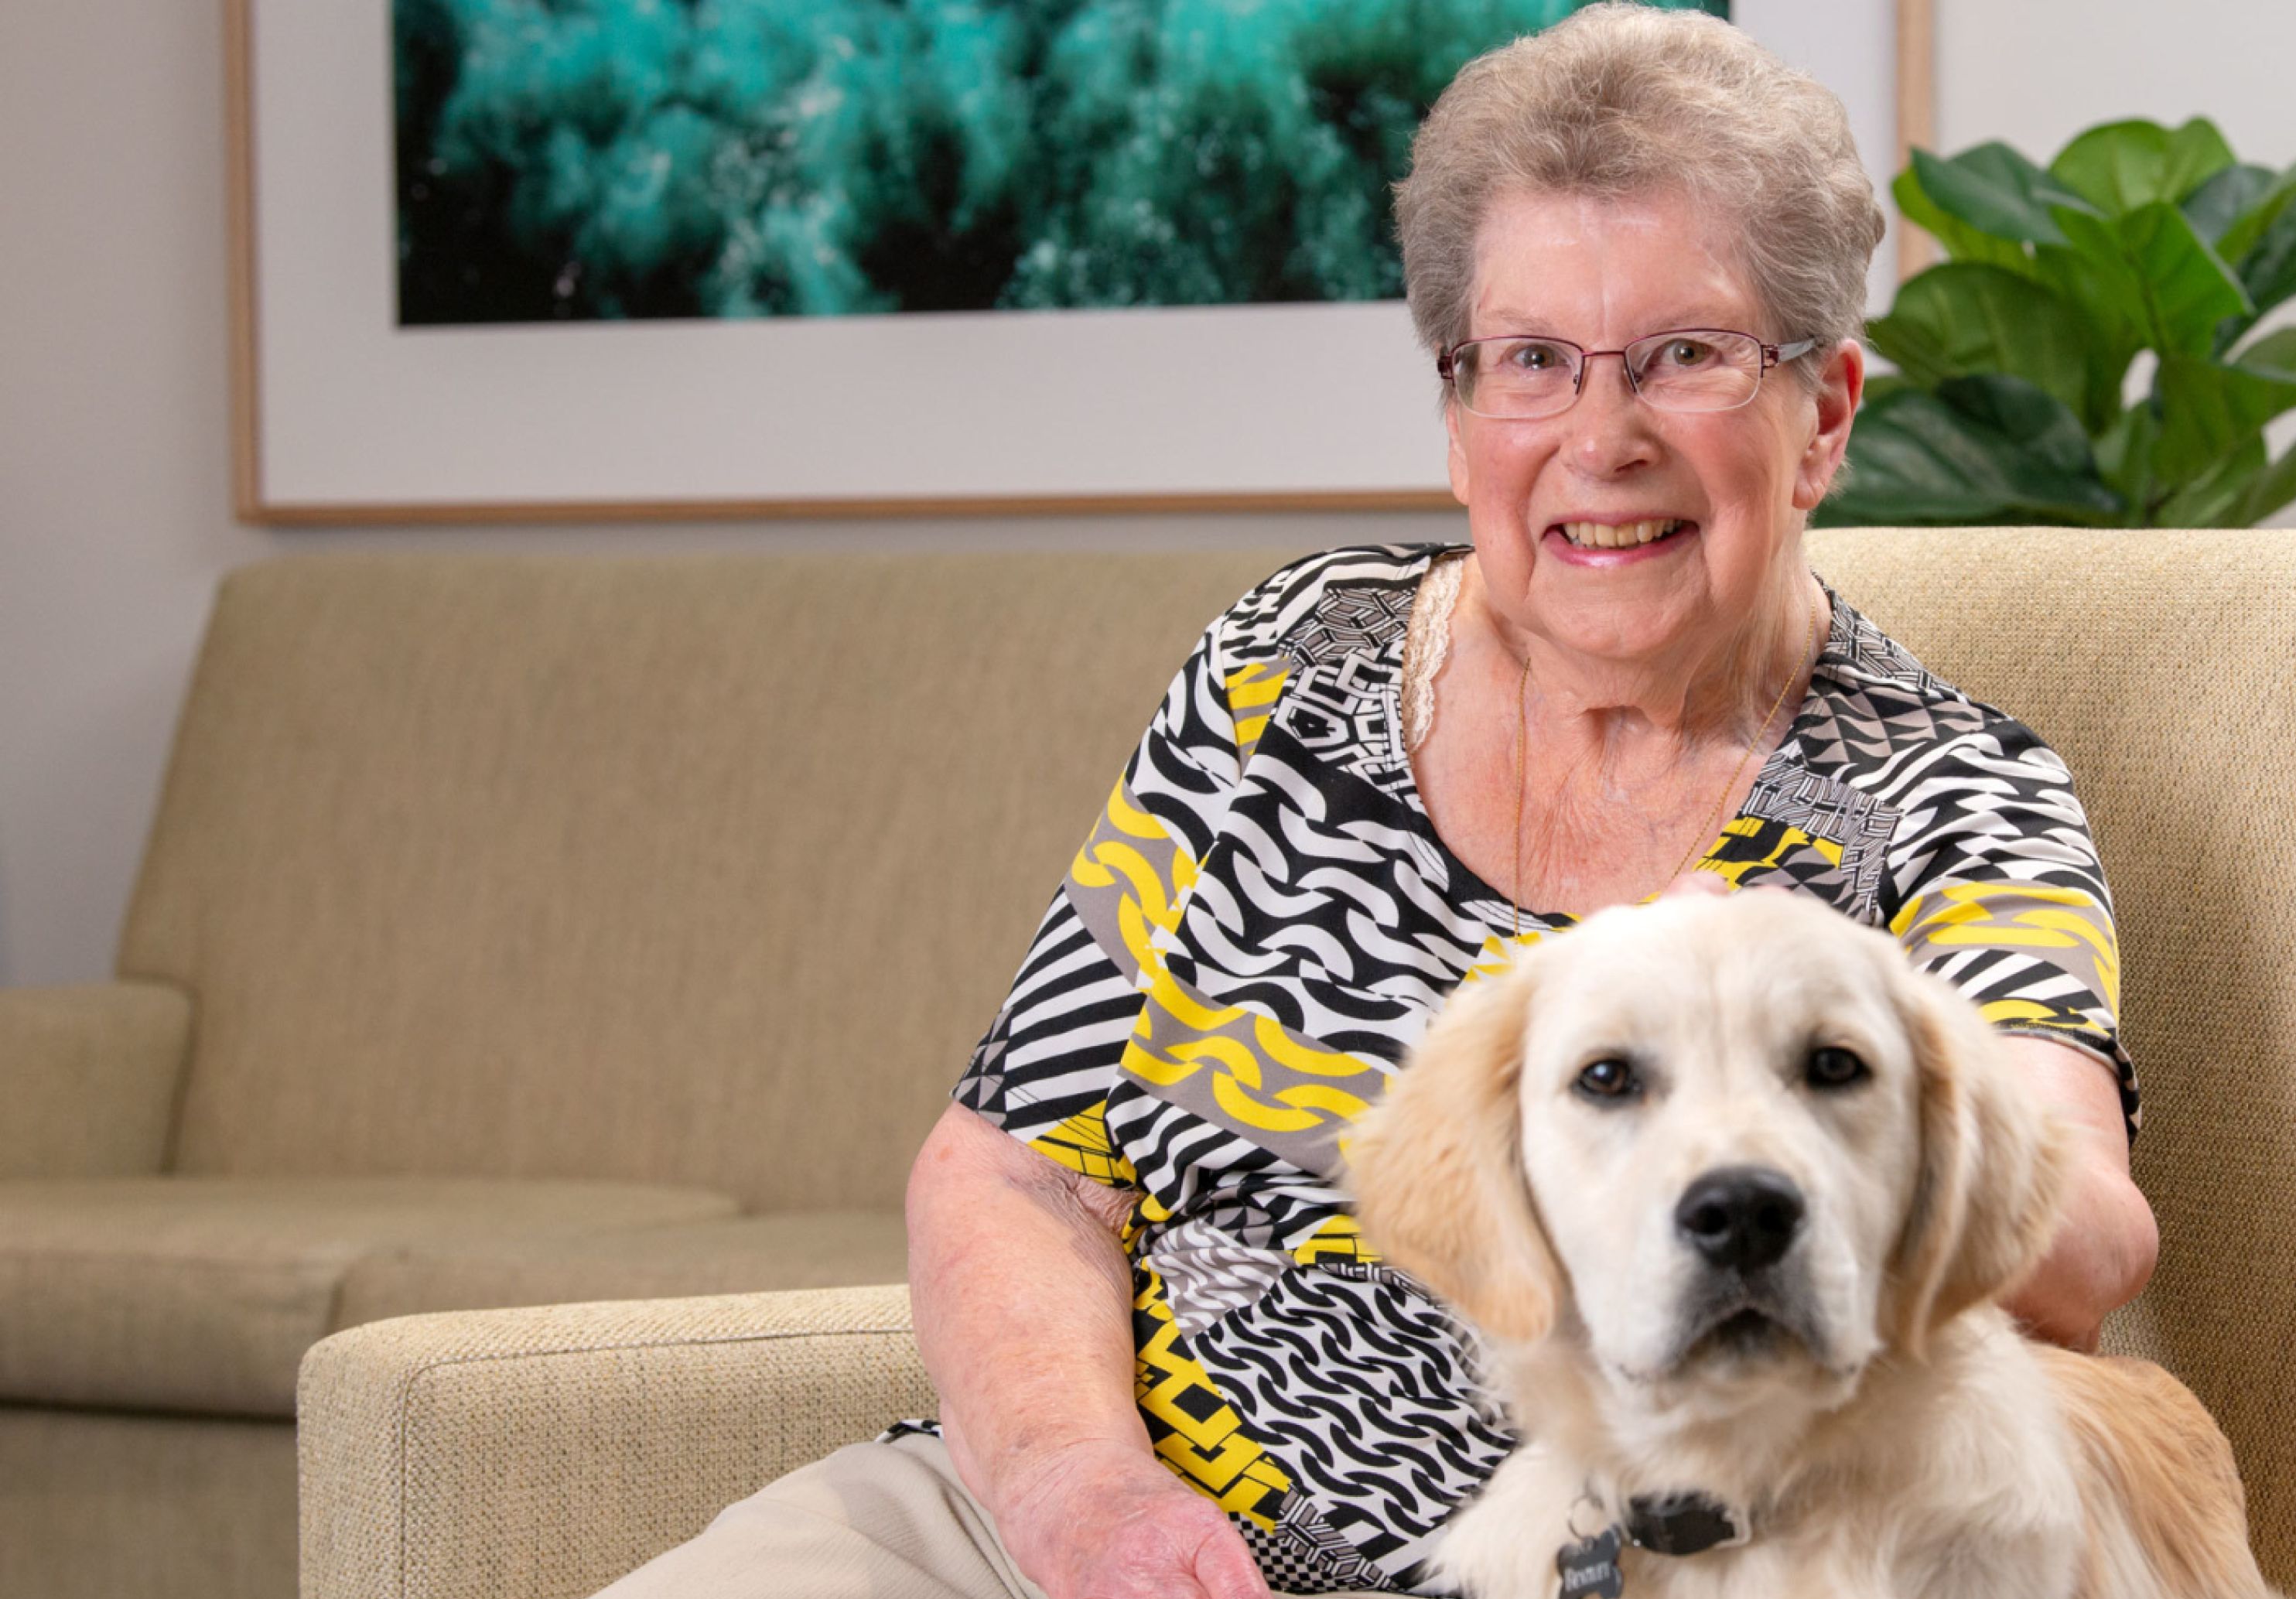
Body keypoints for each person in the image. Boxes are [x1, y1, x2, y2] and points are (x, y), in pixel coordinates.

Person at [600, 7, 2157, 1597]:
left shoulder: (1950, 791)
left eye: (1686, 355)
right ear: (1460, 410)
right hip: (1054, 1536)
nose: (1599, 441)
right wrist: (1080, 1492)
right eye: (1532, 362)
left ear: (1823, 411)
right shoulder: (1288, 659)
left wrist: (1834, 1031)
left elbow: (2082, 1240)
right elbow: (1017, 1164)